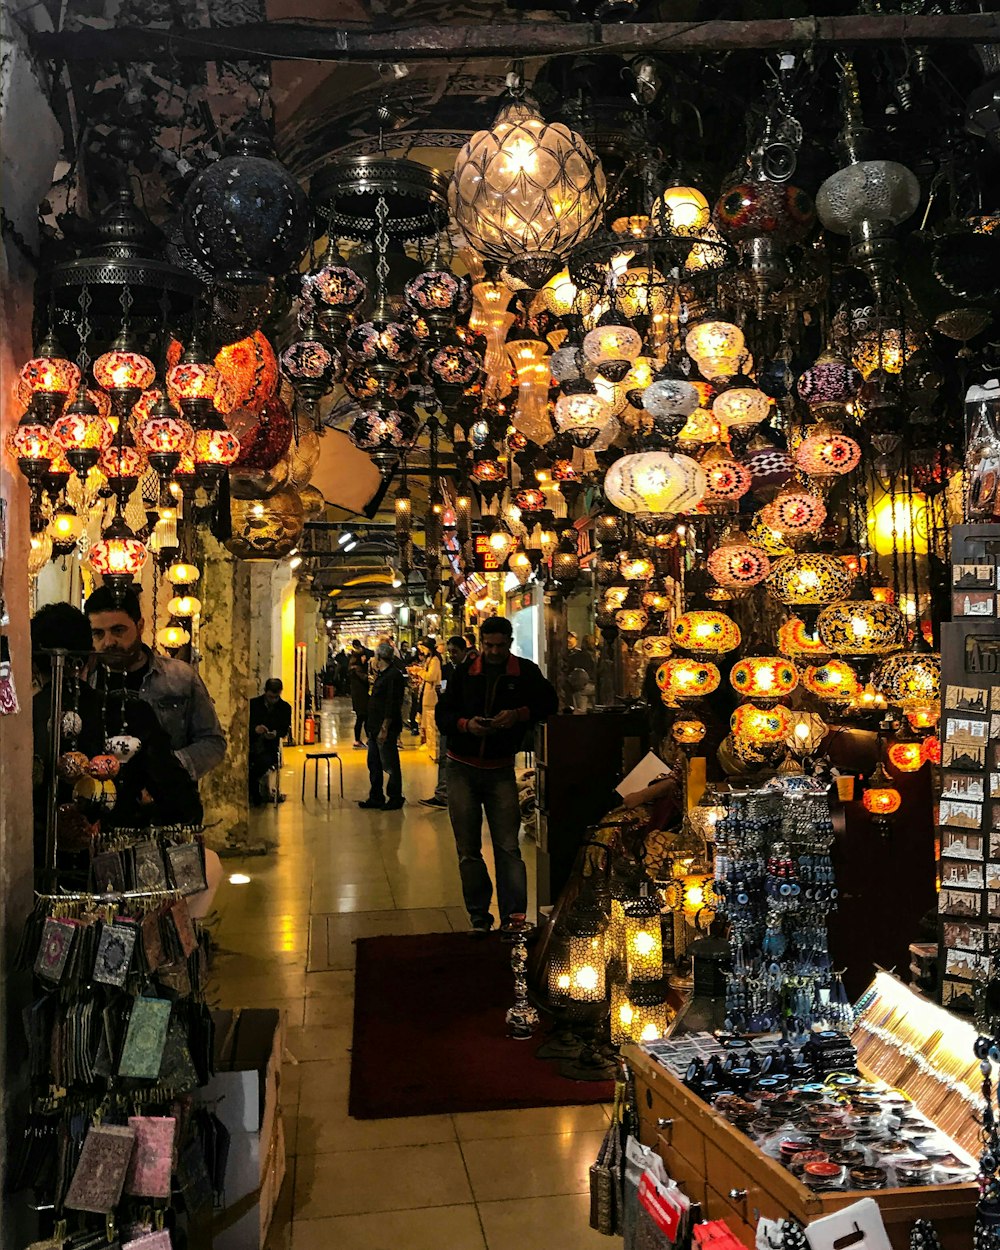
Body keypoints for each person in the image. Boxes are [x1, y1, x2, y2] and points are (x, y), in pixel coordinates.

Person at [436, 615, 557, 937]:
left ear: (509, 643)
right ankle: (479, 918)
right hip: (461, 768)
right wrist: (467, 725)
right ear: (480, 643)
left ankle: (514, 918)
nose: (494, 651)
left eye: (500, 646)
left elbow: (549, 702)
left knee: (508, 848)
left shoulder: (524, 672)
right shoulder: (464, 673)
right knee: (468, 850)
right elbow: (443, 716)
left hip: (500, 769)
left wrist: (518, 715)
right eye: (489, 645)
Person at [85, 585, 225, 781]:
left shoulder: (180, 678)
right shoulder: (84, 682)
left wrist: (166, 767)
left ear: (140, 626)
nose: (108, 642)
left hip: (164, 804)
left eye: (118, 630)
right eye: (98, 633)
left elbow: (212, 742)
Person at [420, 634, 470, 810]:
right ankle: (442, 794)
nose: (452, 655)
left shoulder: (471, 670)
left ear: (464, 650)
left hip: (464, 721)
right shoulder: (448, 668)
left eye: (455, 651)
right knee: (444, 756)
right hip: (449, 718)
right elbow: (442, 686)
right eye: (449, 652)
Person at [359, 642, 407, 811]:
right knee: (374, 762)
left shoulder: (393, 676)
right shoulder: (382, 674)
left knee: (390, 763)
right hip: (374, 727)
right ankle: (376, 796)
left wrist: (385, 727)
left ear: (379, 657)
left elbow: (392, 704)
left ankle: (395, 796)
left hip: (384, 728)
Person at [248, 678, 292, 806]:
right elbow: (245, 725)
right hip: (252, 745)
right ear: (265, 692)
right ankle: (255, 794)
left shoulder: (284, 708)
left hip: (269, 749)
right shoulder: (253, 705)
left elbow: (284, 730)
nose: (272, 700)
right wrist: (255, 729)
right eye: (270, 697)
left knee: (258, 766)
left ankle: (256, 796)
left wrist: (275, 734)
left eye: (275, 697)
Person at [416, 637, 443, 759]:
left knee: (429, 719)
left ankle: (429, 743)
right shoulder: (430, 659)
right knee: (425, 718)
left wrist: (419, 672)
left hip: (431, 693)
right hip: (426, 692)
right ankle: (427, 741)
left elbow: (431, 676)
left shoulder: (435, 660)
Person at [347, 639, 371, 749]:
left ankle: (366, 739)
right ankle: (358, 740)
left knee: (363, 718)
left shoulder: (353, 667)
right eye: (363, 656)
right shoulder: (357, 669)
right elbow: (365, 679)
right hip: (361, 696)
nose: (365, 659)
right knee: (362, 717)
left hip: (358, 696)